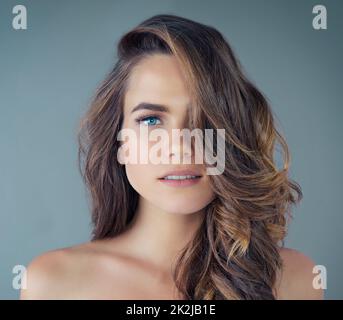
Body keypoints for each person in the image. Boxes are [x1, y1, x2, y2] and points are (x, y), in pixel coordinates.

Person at [21, 14, 323, 300]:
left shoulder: (296, 279)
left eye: (204, 120)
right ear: (121, 143)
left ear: (232, 137)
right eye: (151, 120)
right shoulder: (52, 282)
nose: (180, 146)